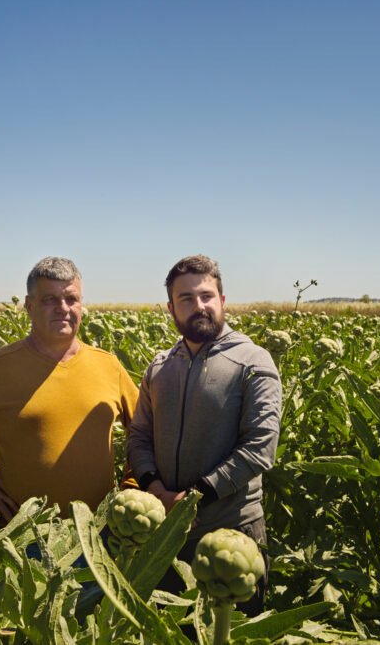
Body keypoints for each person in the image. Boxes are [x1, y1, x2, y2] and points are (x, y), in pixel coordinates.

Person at [0, 257, 138, 522]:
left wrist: (131, 486)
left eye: (71, 299)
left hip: (99, 530)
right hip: (21, 534)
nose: (63, 308)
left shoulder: (108, 365)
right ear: (29, 306)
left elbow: (145, 430)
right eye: (49, 299)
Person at [127, 255, 281, 615]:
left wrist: (195, 498)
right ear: (171, 308)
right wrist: (155, 490)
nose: (199, 306)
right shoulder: (159, 367)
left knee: (230, 634)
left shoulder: (253, 361)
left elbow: (260, 447)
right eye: (186, 299)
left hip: (232, 536)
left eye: (207, 296)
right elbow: (138, 437)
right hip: (165, 535)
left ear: (222, 301)